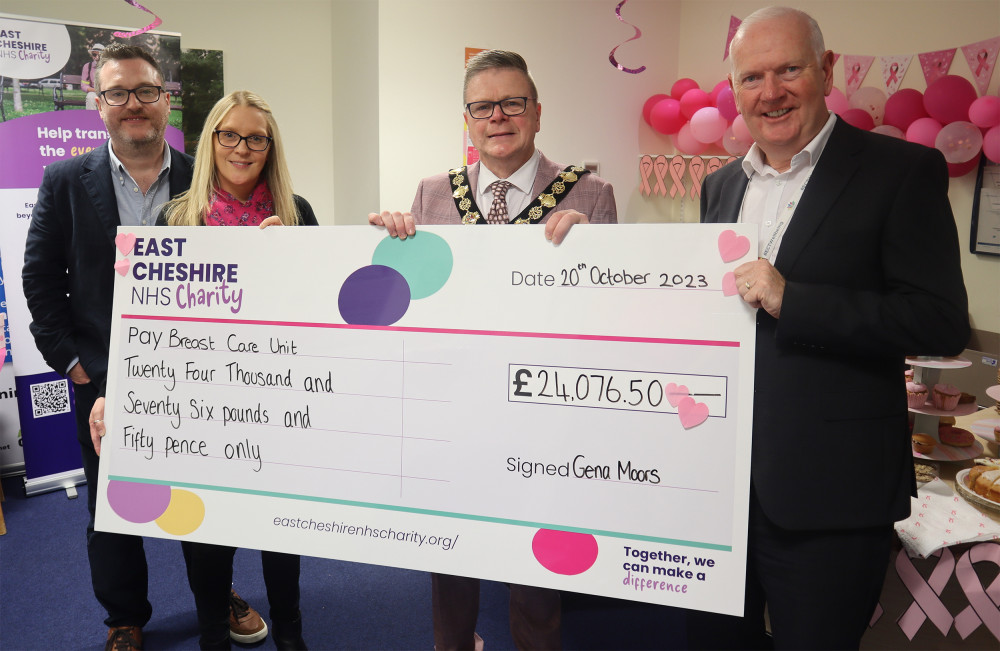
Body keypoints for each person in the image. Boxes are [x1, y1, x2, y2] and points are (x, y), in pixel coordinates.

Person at [693, 7, 969, 649]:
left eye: (789, 69)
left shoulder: (901, 172)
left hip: (832, 499)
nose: (771, 92)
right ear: (734, 90)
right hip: (719, 490)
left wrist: (797, 301)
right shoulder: (719, 186)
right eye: (752, 77)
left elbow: (939, 321)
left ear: (826, 69)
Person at [370, 49, 617, 651]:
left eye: (512, 103)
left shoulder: (588, 193)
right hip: (453, 409)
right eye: (482, 106)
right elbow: (418, 298)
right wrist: (389, 248)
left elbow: (612, 314)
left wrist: (599, 255)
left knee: (536, 576)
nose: (497, 116)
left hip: (543, 415)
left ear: (536, 112)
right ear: (467, 119)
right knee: (449, 556)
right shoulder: (432, 193)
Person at [22, 44, 265, 651]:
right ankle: (124, 617)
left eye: (146, 92)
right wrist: (77, 369)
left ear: (166, 100)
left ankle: (218, 593)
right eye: (118, 93)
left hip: (202, 380)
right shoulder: (63, 180)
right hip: (104, 383)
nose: (134, 105)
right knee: (113, 512)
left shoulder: (208, 174)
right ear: (96, 103)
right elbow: (41, 279)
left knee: (207, 502)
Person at [160, 90, 316, 651]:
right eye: (230, 135)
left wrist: (288, 264)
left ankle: (292, 636)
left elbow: (320, 317)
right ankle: (212, 636)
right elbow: (157, 323)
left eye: (255, 137)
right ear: (210, 143)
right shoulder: (177, 216)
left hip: (275, 406)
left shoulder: (298, 214)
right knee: (205, 541)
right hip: (200, 411)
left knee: (281, 540)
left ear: (270, 147)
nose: (242, 147)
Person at [81, 42, 104, 109]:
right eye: (94, 54)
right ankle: (91, 119)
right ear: (92, 55)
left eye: (100, 55)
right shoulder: (87, 66)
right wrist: (96, 90)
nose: (96, 57)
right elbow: (84, 85)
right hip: (94, 91)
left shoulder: (109, 66)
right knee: (90, 97)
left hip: (107, 92)